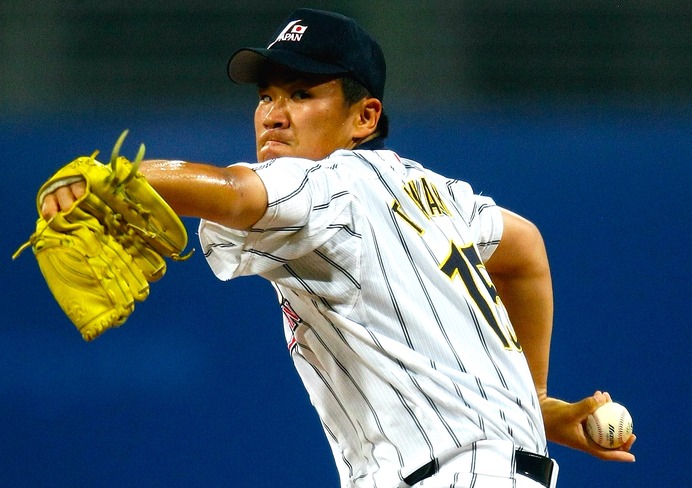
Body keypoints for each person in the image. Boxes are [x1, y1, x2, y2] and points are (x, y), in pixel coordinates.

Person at [40, 8, 635, 488]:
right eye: (266, 95)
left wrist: (114, 178)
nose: (274, 114)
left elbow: (235, 192)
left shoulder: (337, 184)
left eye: (302, 94)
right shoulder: (432, 192)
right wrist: (534, 404)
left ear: (364, 116)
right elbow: (525, 249)